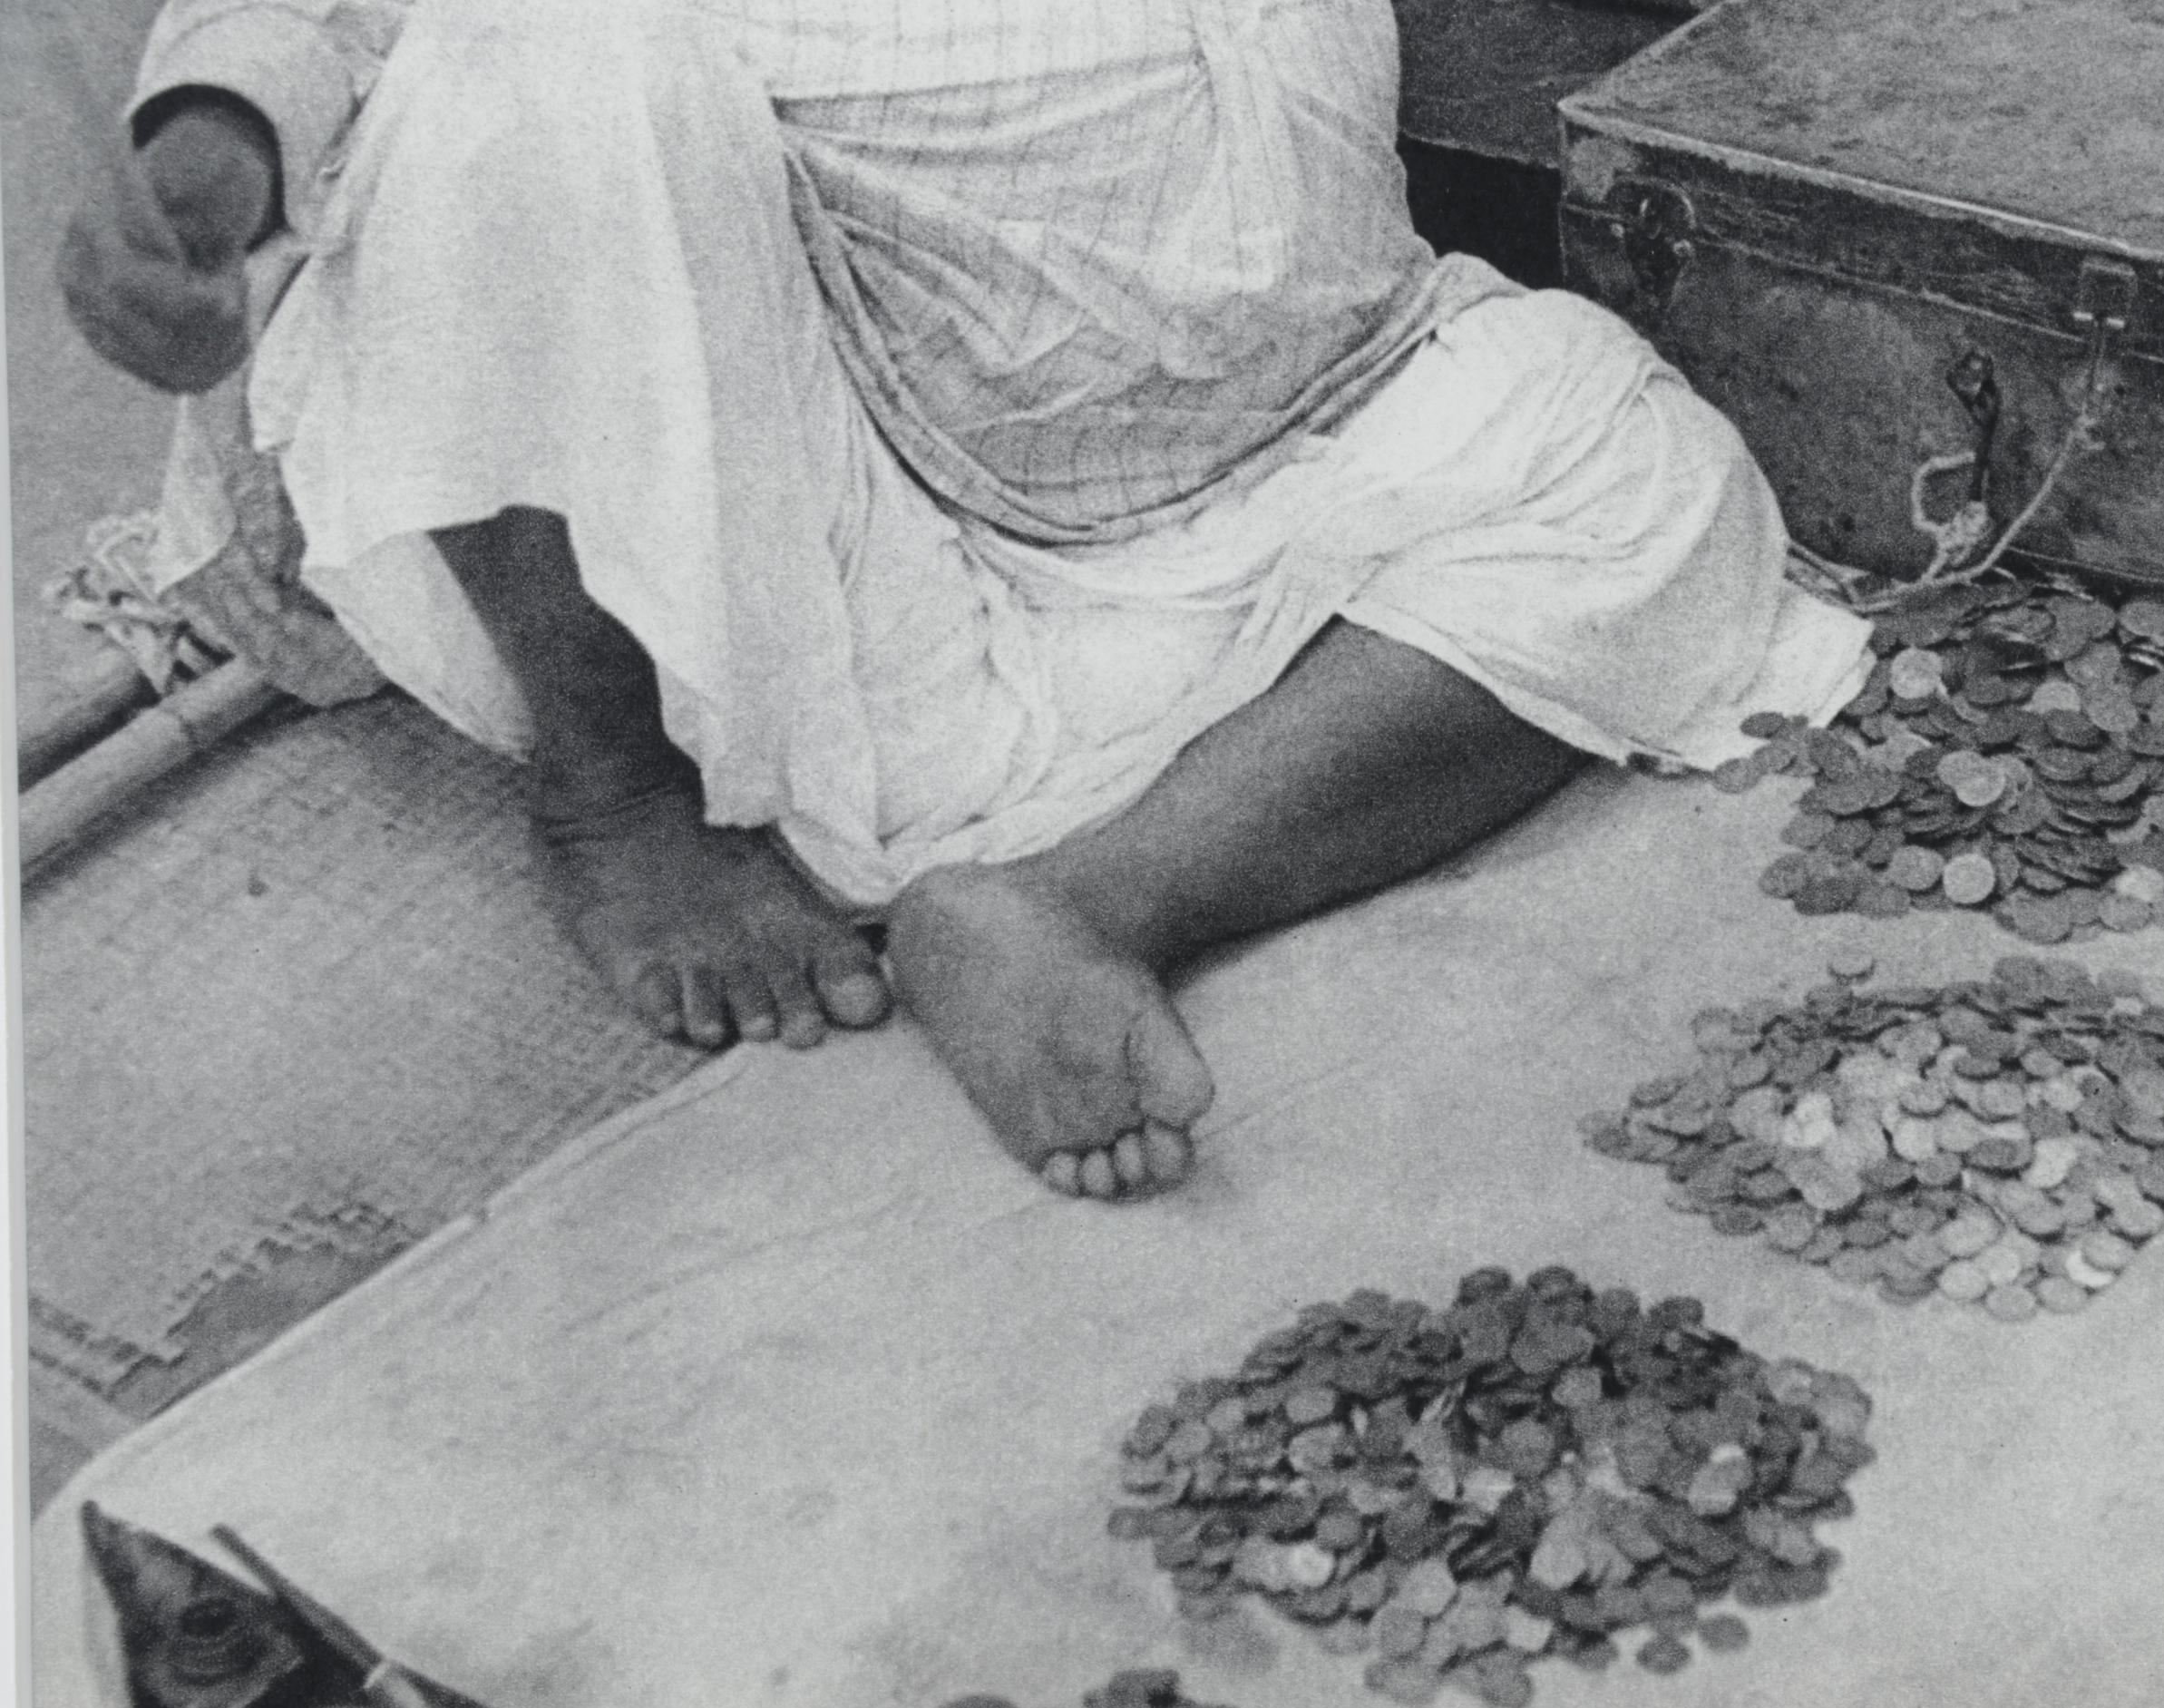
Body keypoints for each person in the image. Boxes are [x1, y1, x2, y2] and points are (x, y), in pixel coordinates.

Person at [62, 0, 1869, 1200]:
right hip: (870, 561)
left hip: (1347, 418)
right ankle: (620, 794)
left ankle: (1071, 904)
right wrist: (206, 173)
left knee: (1654, 481)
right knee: (522, 52)